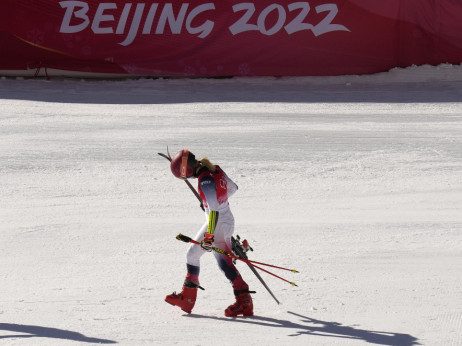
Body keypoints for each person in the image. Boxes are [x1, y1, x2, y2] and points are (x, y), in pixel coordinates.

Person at [165, 149, 253, 317]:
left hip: (217, 223)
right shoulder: (215, 169)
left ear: (187, 171)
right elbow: (233, 188)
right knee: (193, 255)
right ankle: (187, 299)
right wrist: (211, 201)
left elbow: (213, 212)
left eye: (186, 177)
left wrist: (209, 235)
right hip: (224, 219)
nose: (189, 179)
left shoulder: (205, 181)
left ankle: (244, 301)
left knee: (223, 263)